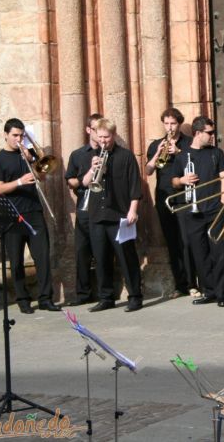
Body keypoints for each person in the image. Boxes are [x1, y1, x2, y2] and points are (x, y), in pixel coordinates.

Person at [0, 118, 60, 314]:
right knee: (16, 259)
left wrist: (32, 160)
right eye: (14, 136)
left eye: (21, 136)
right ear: (5, 135)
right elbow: (0, 188)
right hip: (12, 214)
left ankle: (46, 298)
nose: (18, 139)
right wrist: (20, 182)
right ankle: (23, 299)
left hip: (34, 211)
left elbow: (42, 177)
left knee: (42, 256)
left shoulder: (26, 156)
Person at [83, 118, 143, 312]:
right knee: (101, 258)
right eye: (99, 137)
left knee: (126, 257)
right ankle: (106, 297)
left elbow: (135, 186)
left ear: (114, 135)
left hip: (119, 214)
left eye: (106, 137)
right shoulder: (91, 155)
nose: (103, 141)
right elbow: (84, 183)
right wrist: (93, 168)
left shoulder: (126, 156)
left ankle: (135, 296)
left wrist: (133, 210)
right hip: (97, 214)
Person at [172, 116, 224, 307]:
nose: (213, 136)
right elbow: (173, 181)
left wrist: (223, 202)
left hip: (215, 209)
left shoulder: (217, 153)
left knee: (219, 252)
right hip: (193, 211)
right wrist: (182, 181)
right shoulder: (183, 156)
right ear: (198, 133)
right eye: (209, 133)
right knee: (200, 253)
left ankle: (222, 293)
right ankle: (209, 290)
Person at [145, 108, 191, 298]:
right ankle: (180, 285)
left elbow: (194, 165)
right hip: (164, 198)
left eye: (173, 123)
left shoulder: (188, 144)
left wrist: (179, 152)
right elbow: (148, 171)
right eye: (167, 123)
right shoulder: (157, 144)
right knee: (172, 242)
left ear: (179, 124)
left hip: (184, 197)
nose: (170, 127)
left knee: (187, 242)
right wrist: (157, 153)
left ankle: (193, 282)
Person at [64, 114, 102, 306]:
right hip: (84, 208)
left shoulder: (109, 151)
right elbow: (70, 179)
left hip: (103, 209)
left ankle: (105, 294)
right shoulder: (78, 155)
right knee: (82, 252)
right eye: (96, 129)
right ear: (88, 130)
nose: (99, 133)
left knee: (103, 252)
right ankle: (83, 294)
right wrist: (82, 178)